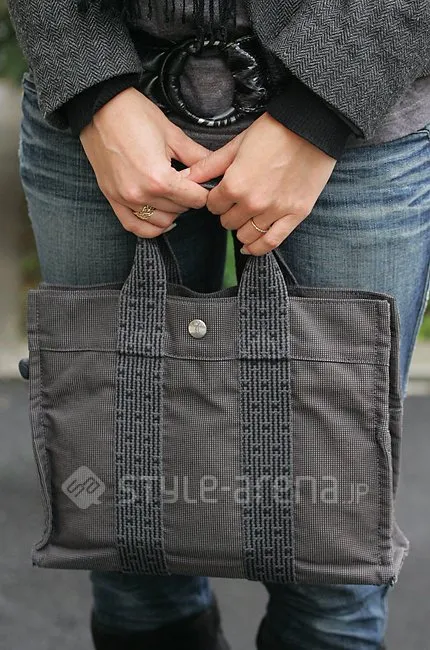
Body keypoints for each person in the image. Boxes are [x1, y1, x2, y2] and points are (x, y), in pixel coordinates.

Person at [7, 0, 430, 647]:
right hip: (108, 103)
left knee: (332, 575)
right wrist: (91, 82)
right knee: (126, 551)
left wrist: (322, 104)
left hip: (358, 109)